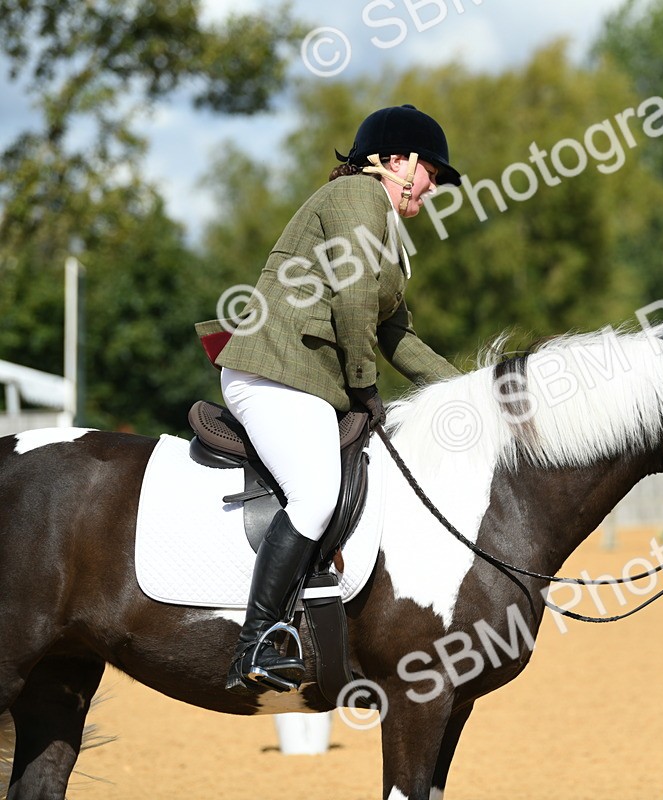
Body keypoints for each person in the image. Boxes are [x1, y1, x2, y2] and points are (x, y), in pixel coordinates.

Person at [196, 104, 463, 693]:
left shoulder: (387, 234)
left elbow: (398, 334)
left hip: (309, 382)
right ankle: (256, 641)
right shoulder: (356, 200)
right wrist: (364, 386)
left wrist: (464, 391)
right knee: (316, 495)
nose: (435, 185)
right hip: (274, 372)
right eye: (432, 172)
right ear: (397, 161)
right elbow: (351, 301)